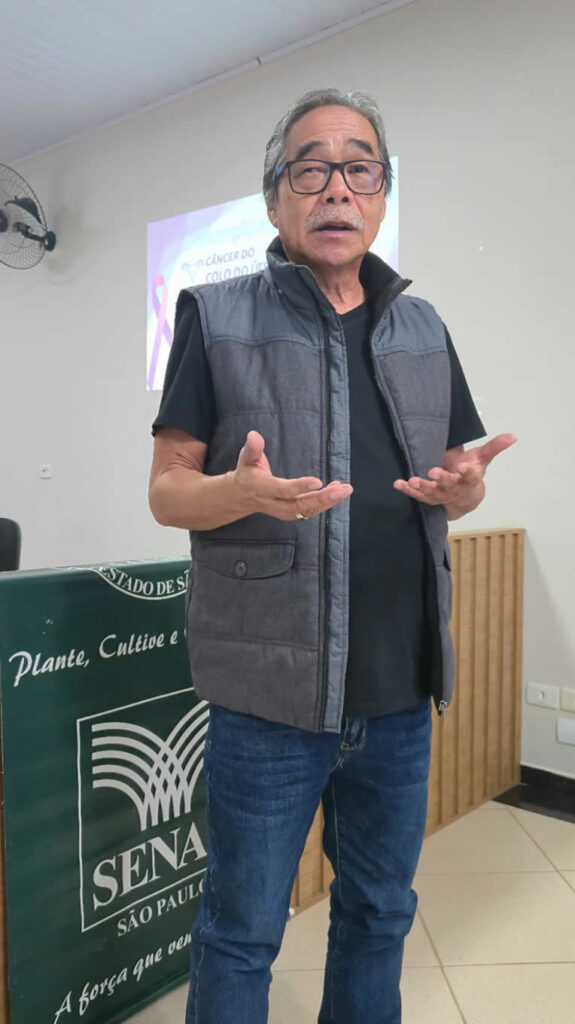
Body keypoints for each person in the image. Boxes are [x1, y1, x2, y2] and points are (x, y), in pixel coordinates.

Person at [149, 88, 515, 1024]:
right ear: (275, 198)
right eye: (310, 169)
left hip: (399, 690)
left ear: (382, 194)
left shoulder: (422, 326)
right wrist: (240, 493)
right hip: (267, 699)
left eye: (359, 168)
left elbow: (455, 477)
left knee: (379, 912)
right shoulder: (215, 314)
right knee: (241, 932)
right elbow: (167, 491)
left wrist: (465, 493)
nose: (336, 189)